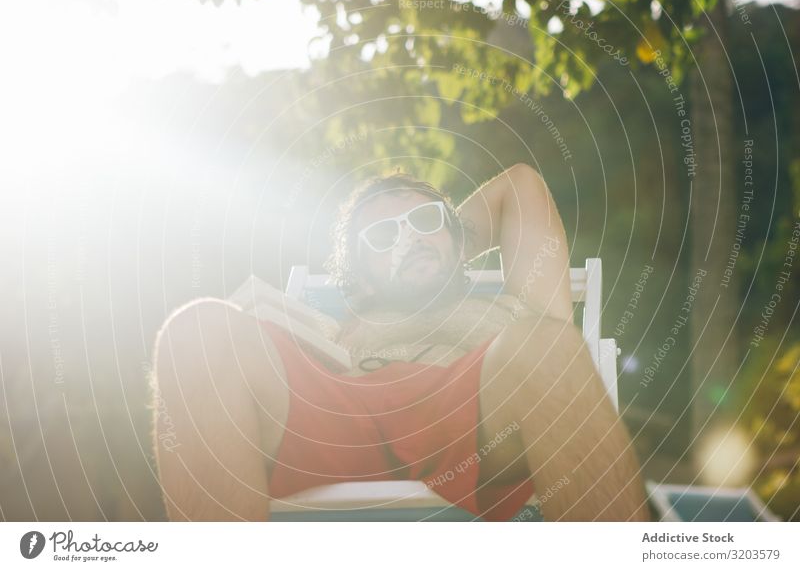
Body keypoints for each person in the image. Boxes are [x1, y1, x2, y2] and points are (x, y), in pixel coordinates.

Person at [151, 163, 649, 521]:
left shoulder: (517, 308)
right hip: (337, 414)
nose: (408, 237)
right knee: (196, 330)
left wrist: (434, 244)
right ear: (360, 278)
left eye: (425, 221)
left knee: (548, 346)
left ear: (459, 238)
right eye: (383, 236)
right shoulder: (355, 315)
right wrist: (417, 248)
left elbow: (518, 186)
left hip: (473, 419)